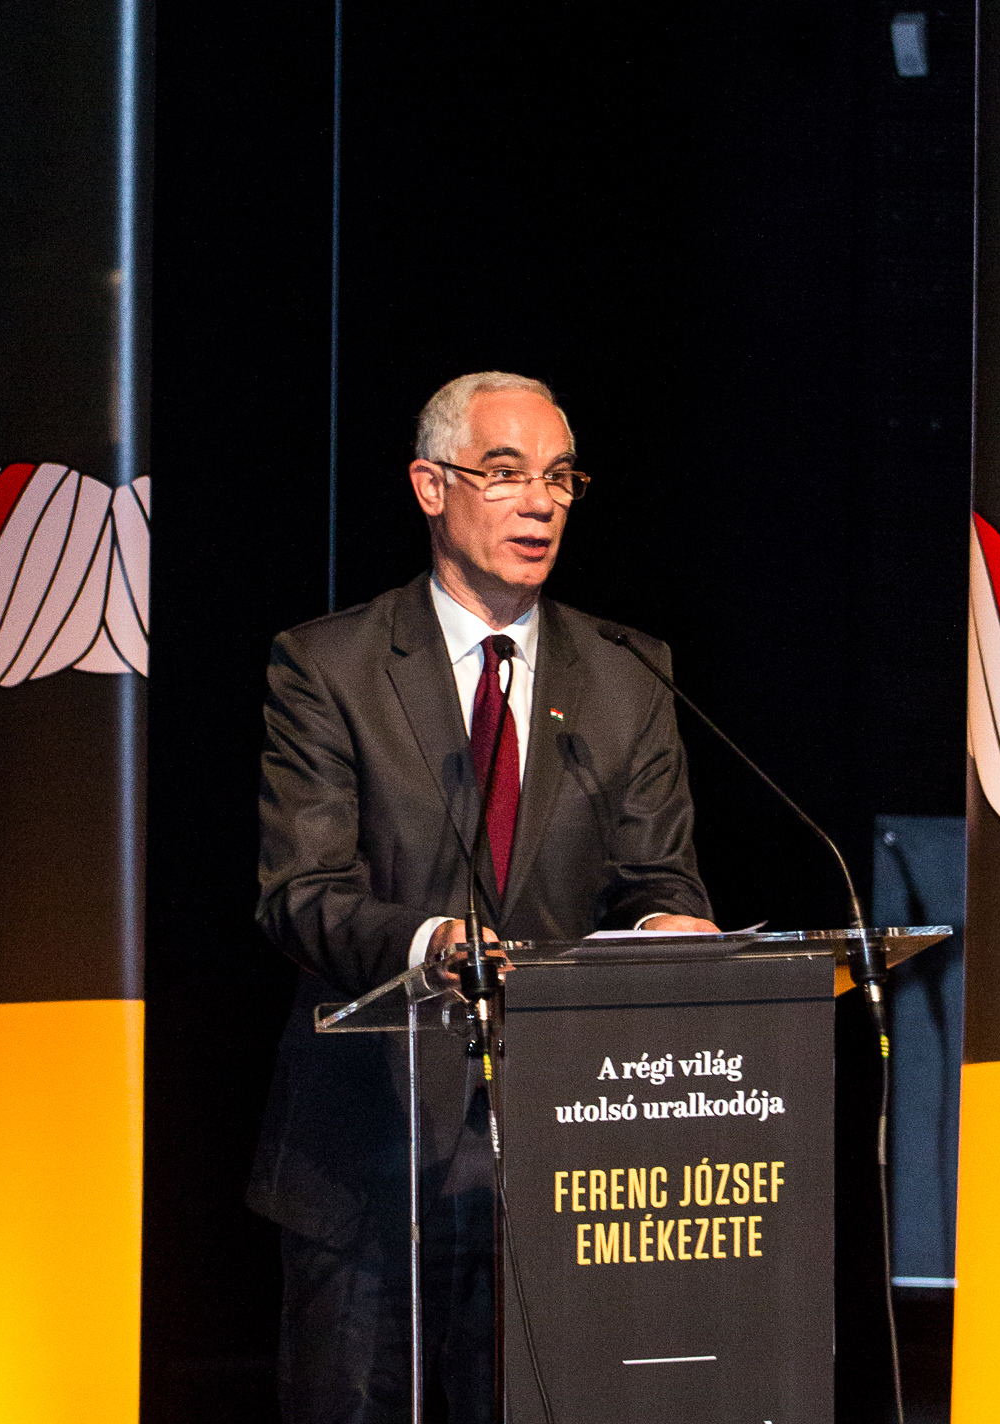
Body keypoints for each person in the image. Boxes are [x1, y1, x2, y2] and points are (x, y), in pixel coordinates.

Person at [251, 371, 718, 1424]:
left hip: (564, 1152)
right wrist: (429, 941)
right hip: (368, 1153)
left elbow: (658, 875)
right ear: (431, 486)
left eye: (559, 478)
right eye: (504, 474)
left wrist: (669, 926)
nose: (539, 503)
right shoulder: (330, 666)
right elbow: (299, 892)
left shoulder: (628, 674)